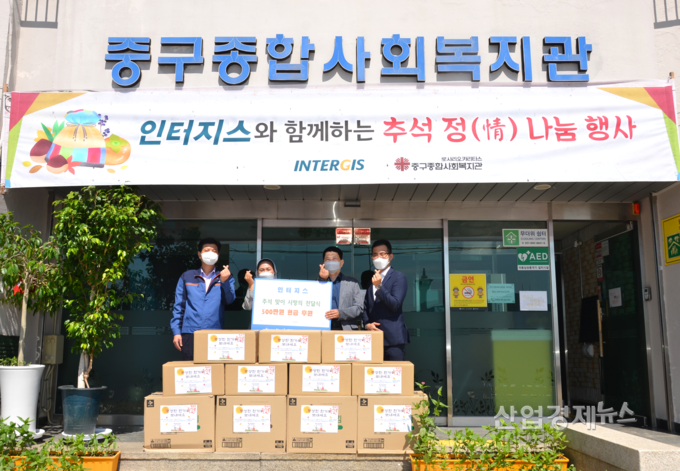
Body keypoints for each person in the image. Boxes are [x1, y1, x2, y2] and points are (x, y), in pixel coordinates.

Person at [171, 237, 236, 361]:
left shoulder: (225, 276)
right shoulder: (187, 276)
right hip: (190, 332)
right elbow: (179, 306)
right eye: (206, 250)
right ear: (199, 254)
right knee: (192, 368)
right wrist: (176, 332)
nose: (210, 253)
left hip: (215, 332)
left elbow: (229, 300)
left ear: (218, 255)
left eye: (214, 250)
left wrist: (224, 282)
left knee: (214, 369)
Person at [362, 239, 410, 361]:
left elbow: (395, 304)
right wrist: (367, 324)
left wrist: (379, 286)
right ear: (372, 258)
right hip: (373, 339)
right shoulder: (371, 281)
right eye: (375, 254)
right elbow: (366, 306)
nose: (379, 257)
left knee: (394, 372)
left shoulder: (399, 277)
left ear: (390, 256)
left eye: (382, 254)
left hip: (393, 339)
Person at [318, 246, 364, 330]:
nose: (331, 261)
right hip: (323, 328)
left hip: (346, 328)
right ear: (323, 263)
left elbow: (359, 308)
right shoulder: (316, 284)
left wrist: (341, 313)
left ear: (341, 263)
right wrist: (322, 280)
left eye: (334, 258)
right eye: (328, 259)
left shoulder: (352, 283)